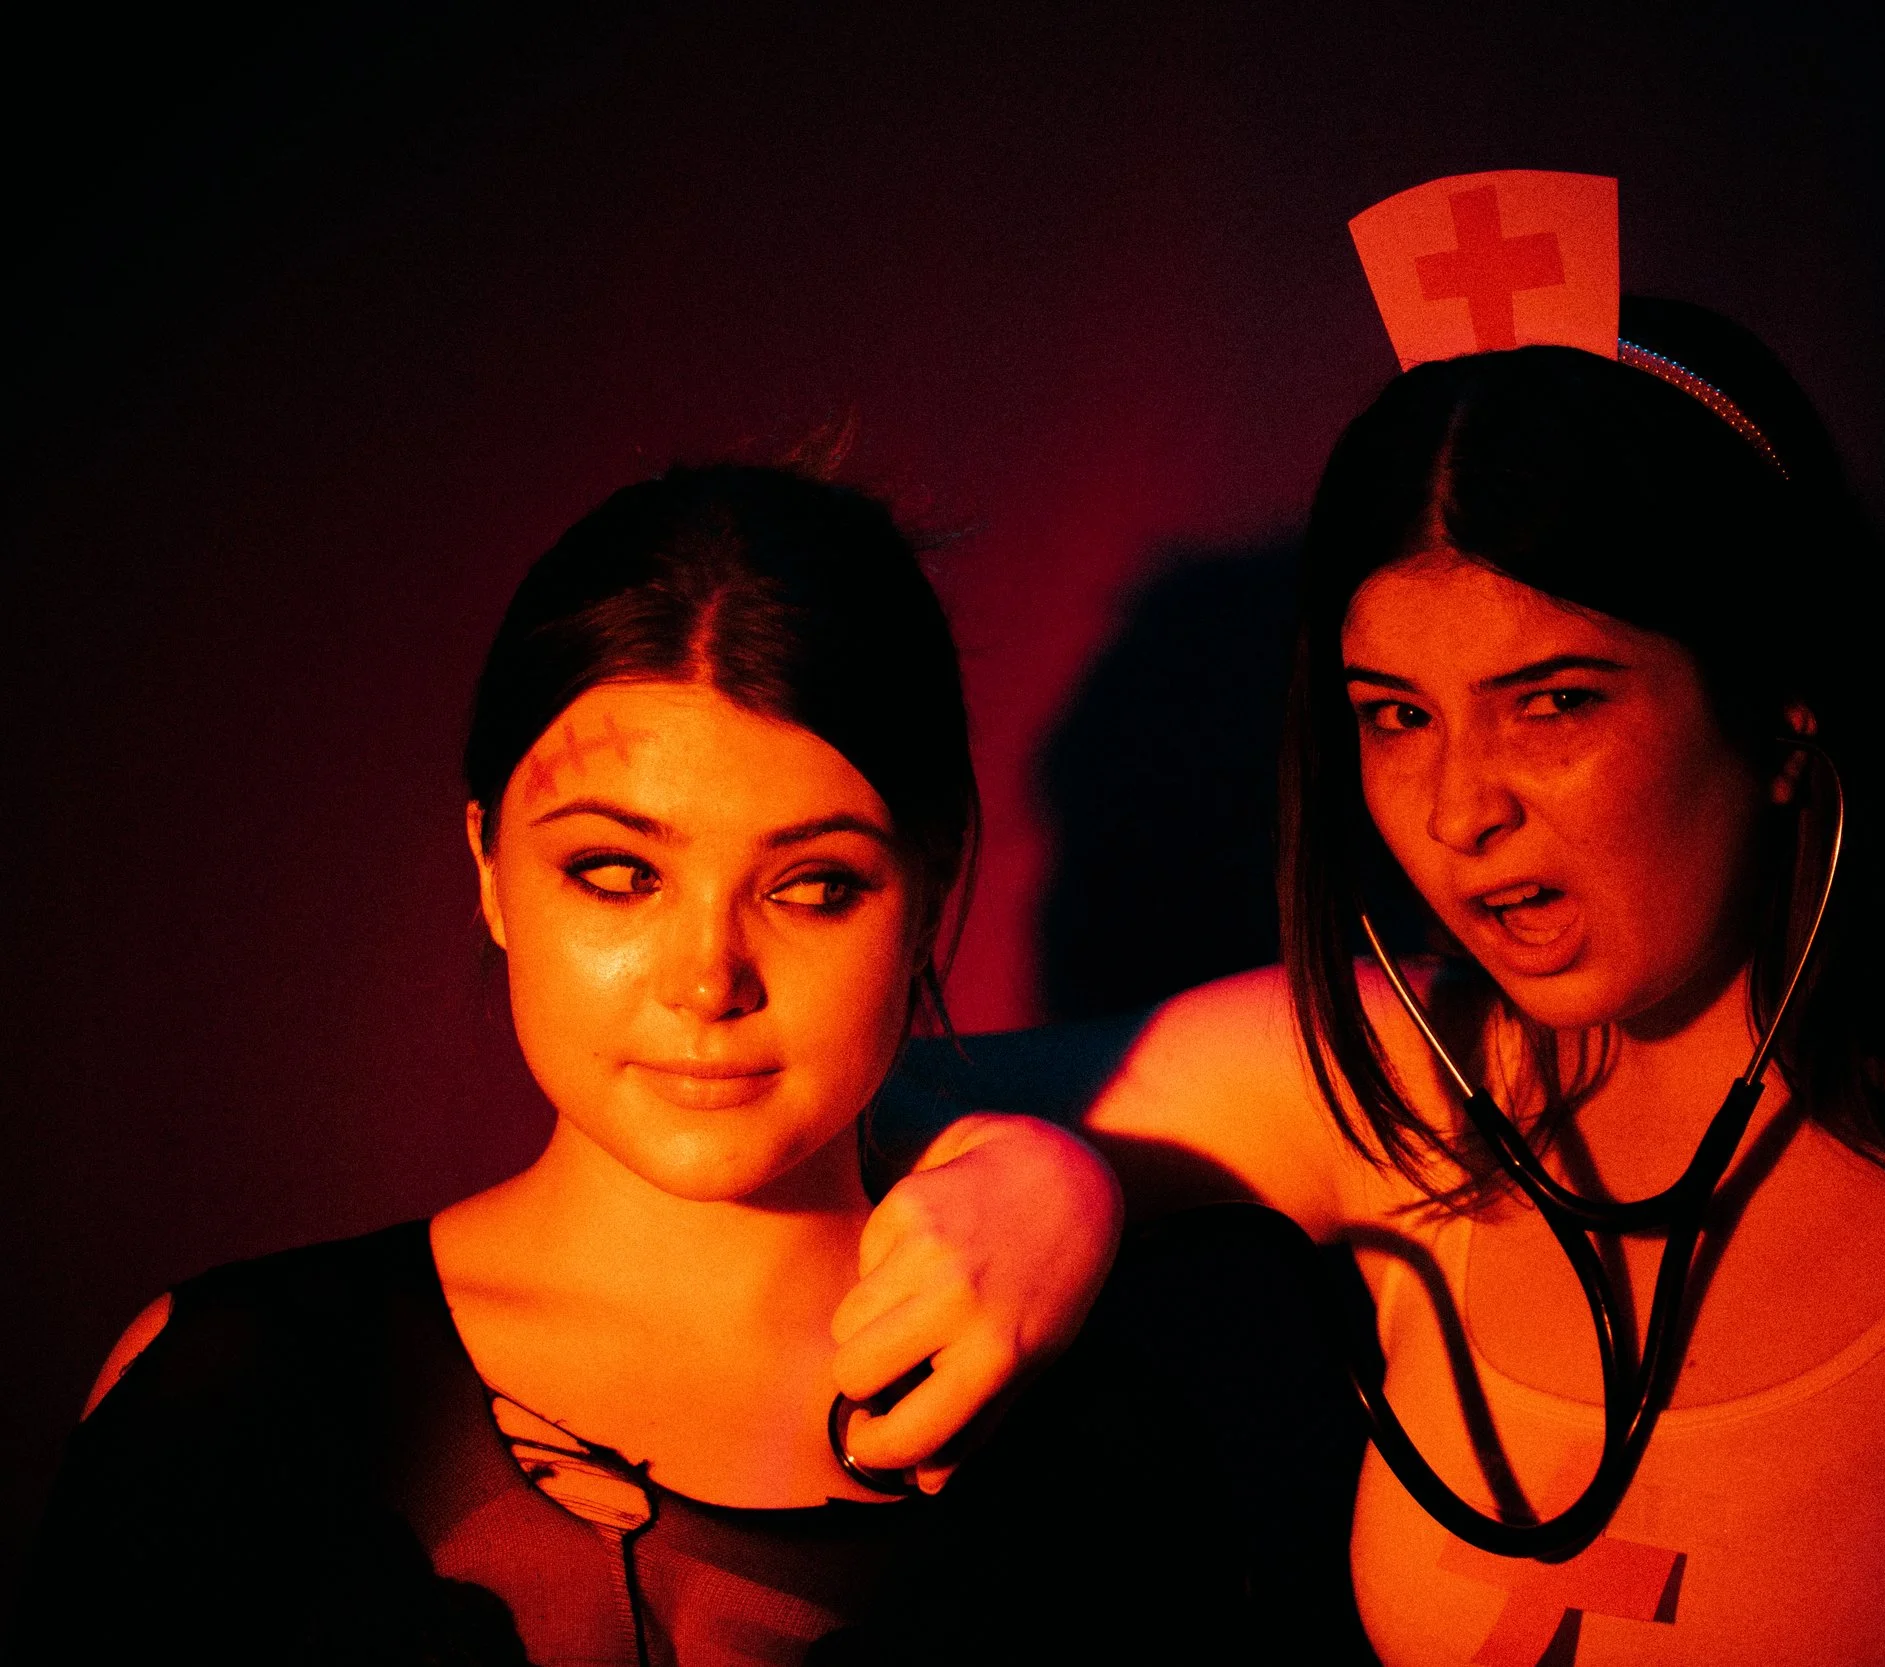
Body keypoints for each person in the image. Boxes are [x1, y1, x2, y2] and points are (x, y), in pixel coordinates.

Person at [881, 294, 1885, 1664]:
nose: (1461, 810)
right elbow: (788, 1089)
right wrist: (1052, 1172)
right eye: (1394, 715)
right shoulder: (1382, 1081)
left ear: (1786, 699)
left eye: (1557, 700)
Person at [14, 466, 1135, 1665]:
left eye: (813, 886)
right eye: (616, 871)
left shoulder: (1100, 1448)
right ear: (490, 865)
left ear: (928, 894)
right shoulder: (242, 1388)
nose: (707, 978)